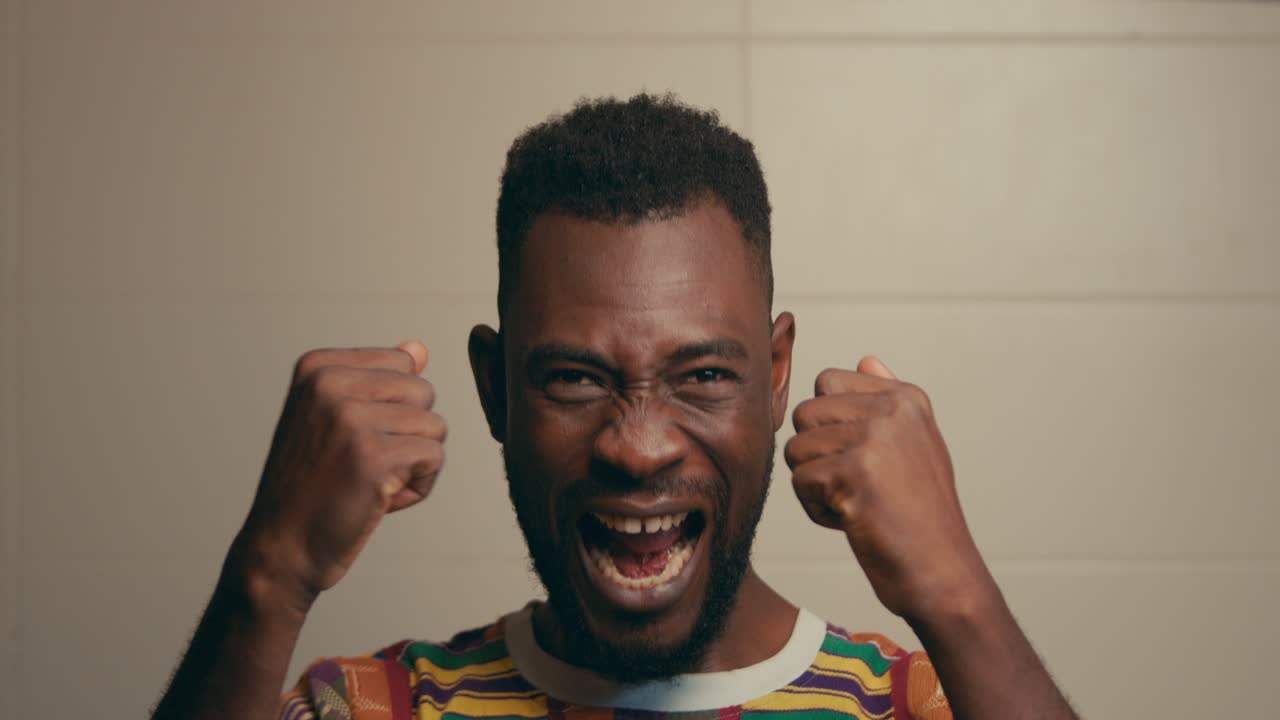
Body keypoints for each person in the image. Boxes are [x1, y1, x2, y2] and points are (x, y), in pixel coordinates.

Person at [151, 93, 1078, 720]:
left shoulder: (922, 703)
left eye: (704, 375)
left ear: (778, 370)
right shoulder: (381, 706)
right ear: (494, 388)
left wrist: (957, 596)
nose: (637, 448)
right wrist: (268, 576)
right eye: (575, 378)